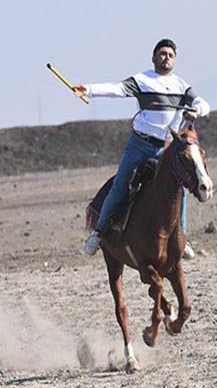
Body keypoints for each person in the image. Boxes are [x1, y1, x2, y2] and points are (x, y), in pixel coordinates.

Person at [76, 38, 210, 258]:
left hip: (168, 148)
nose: (166, 58)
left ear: (174, 60)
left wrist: (196, 111)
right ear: (154, 57)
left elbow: (203, 104)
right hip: (140, 145)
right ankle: (98, 233)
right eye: (162, 53)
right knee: (121, 184)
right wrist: (88, 90)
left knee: (181, 189)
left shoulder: (181, 85)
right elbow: (117, 89)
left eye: (170, 55)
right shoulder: (142, 80)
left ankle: (181, 238)